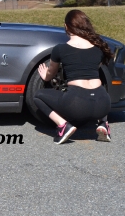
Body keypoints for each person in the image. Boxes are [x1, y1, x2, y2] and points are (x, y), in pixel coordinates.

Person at [34, 10, 113, 144]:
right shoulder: (98, 48)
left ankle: (63, 125)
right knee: (98, 89)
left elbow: (50, 74)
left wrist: (45, 75)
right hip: (103, 104)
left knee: (37, 96)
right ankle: (104, 124)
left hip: (77, 104)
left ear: (66, 26)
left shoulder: (60, 49)